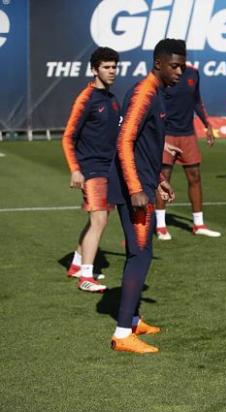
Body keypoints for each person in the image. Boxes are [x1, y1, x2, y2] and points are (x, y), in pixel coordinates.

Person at [106, 39, 182, 354]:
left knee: (144, 251)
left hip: (144, 183)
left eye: (182, 65)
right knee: (139, 254)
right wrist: (137, 187)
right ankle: (123, 334)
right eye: (174, 65)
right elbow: (124, 141)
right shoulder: (143, 93)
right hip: (131, 188)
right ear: (158, 64)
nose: (180, 71)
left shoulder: (157, 93)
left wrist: (159, 179)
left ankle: (134, 320)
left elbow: (145, 148)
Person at [62, 47, 120, 293]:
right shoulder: (85, 98)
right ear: (95, 69)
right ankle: (86, 276)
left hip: (110, 168)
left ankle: (76, 263)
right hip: (91, 168)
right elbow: (67, 137)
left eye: (114, 67)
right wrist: (76, 169)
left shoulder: (111, 99)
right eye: (107, 67)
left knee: (100, 219)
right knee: (99, 220)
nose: (112, 71)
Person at [155, 40, 220, 240]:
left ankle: (198, 224)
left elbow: (196, 100)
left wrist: (207, 123)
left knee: (195, 176)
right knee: (163, 178)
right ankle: (160, 225)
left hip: (188, 134)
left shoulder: (193, 73)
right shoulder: (164, 75)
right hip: (167, 133)